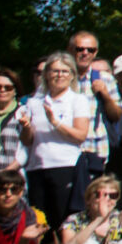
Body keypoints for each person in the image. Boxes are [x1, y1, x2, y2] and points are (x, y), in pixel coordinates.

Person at [15, 52, 91, 228]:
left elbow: (80, 135)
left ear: (72, 75)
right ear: (46, 74)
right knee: (41, 226)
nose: (60, 75)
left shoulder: (77, 100)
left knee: (64, 224)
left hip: (66, 166)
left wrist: (55, 122)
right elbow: (28, 141)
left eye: (65, 71)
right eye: (55, 71)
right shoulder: (34, 102)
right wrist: (26, 127)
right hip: (37, 168)